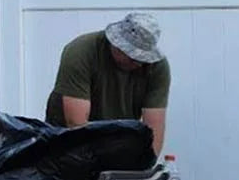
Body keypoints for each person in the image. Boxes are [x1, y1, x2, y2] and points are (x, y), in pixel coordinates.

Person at [44, 12, 170, 155]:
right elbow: (75, 123)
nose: (139, 63)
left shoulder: (157, 67)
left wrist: (147, 163)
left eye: (143, 59)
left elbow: (154, 126)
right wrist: (91, 162)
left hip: (118, 137)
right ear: (116, 44)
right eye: (133, 57)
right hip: (69, 138)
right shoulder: (81, 52)